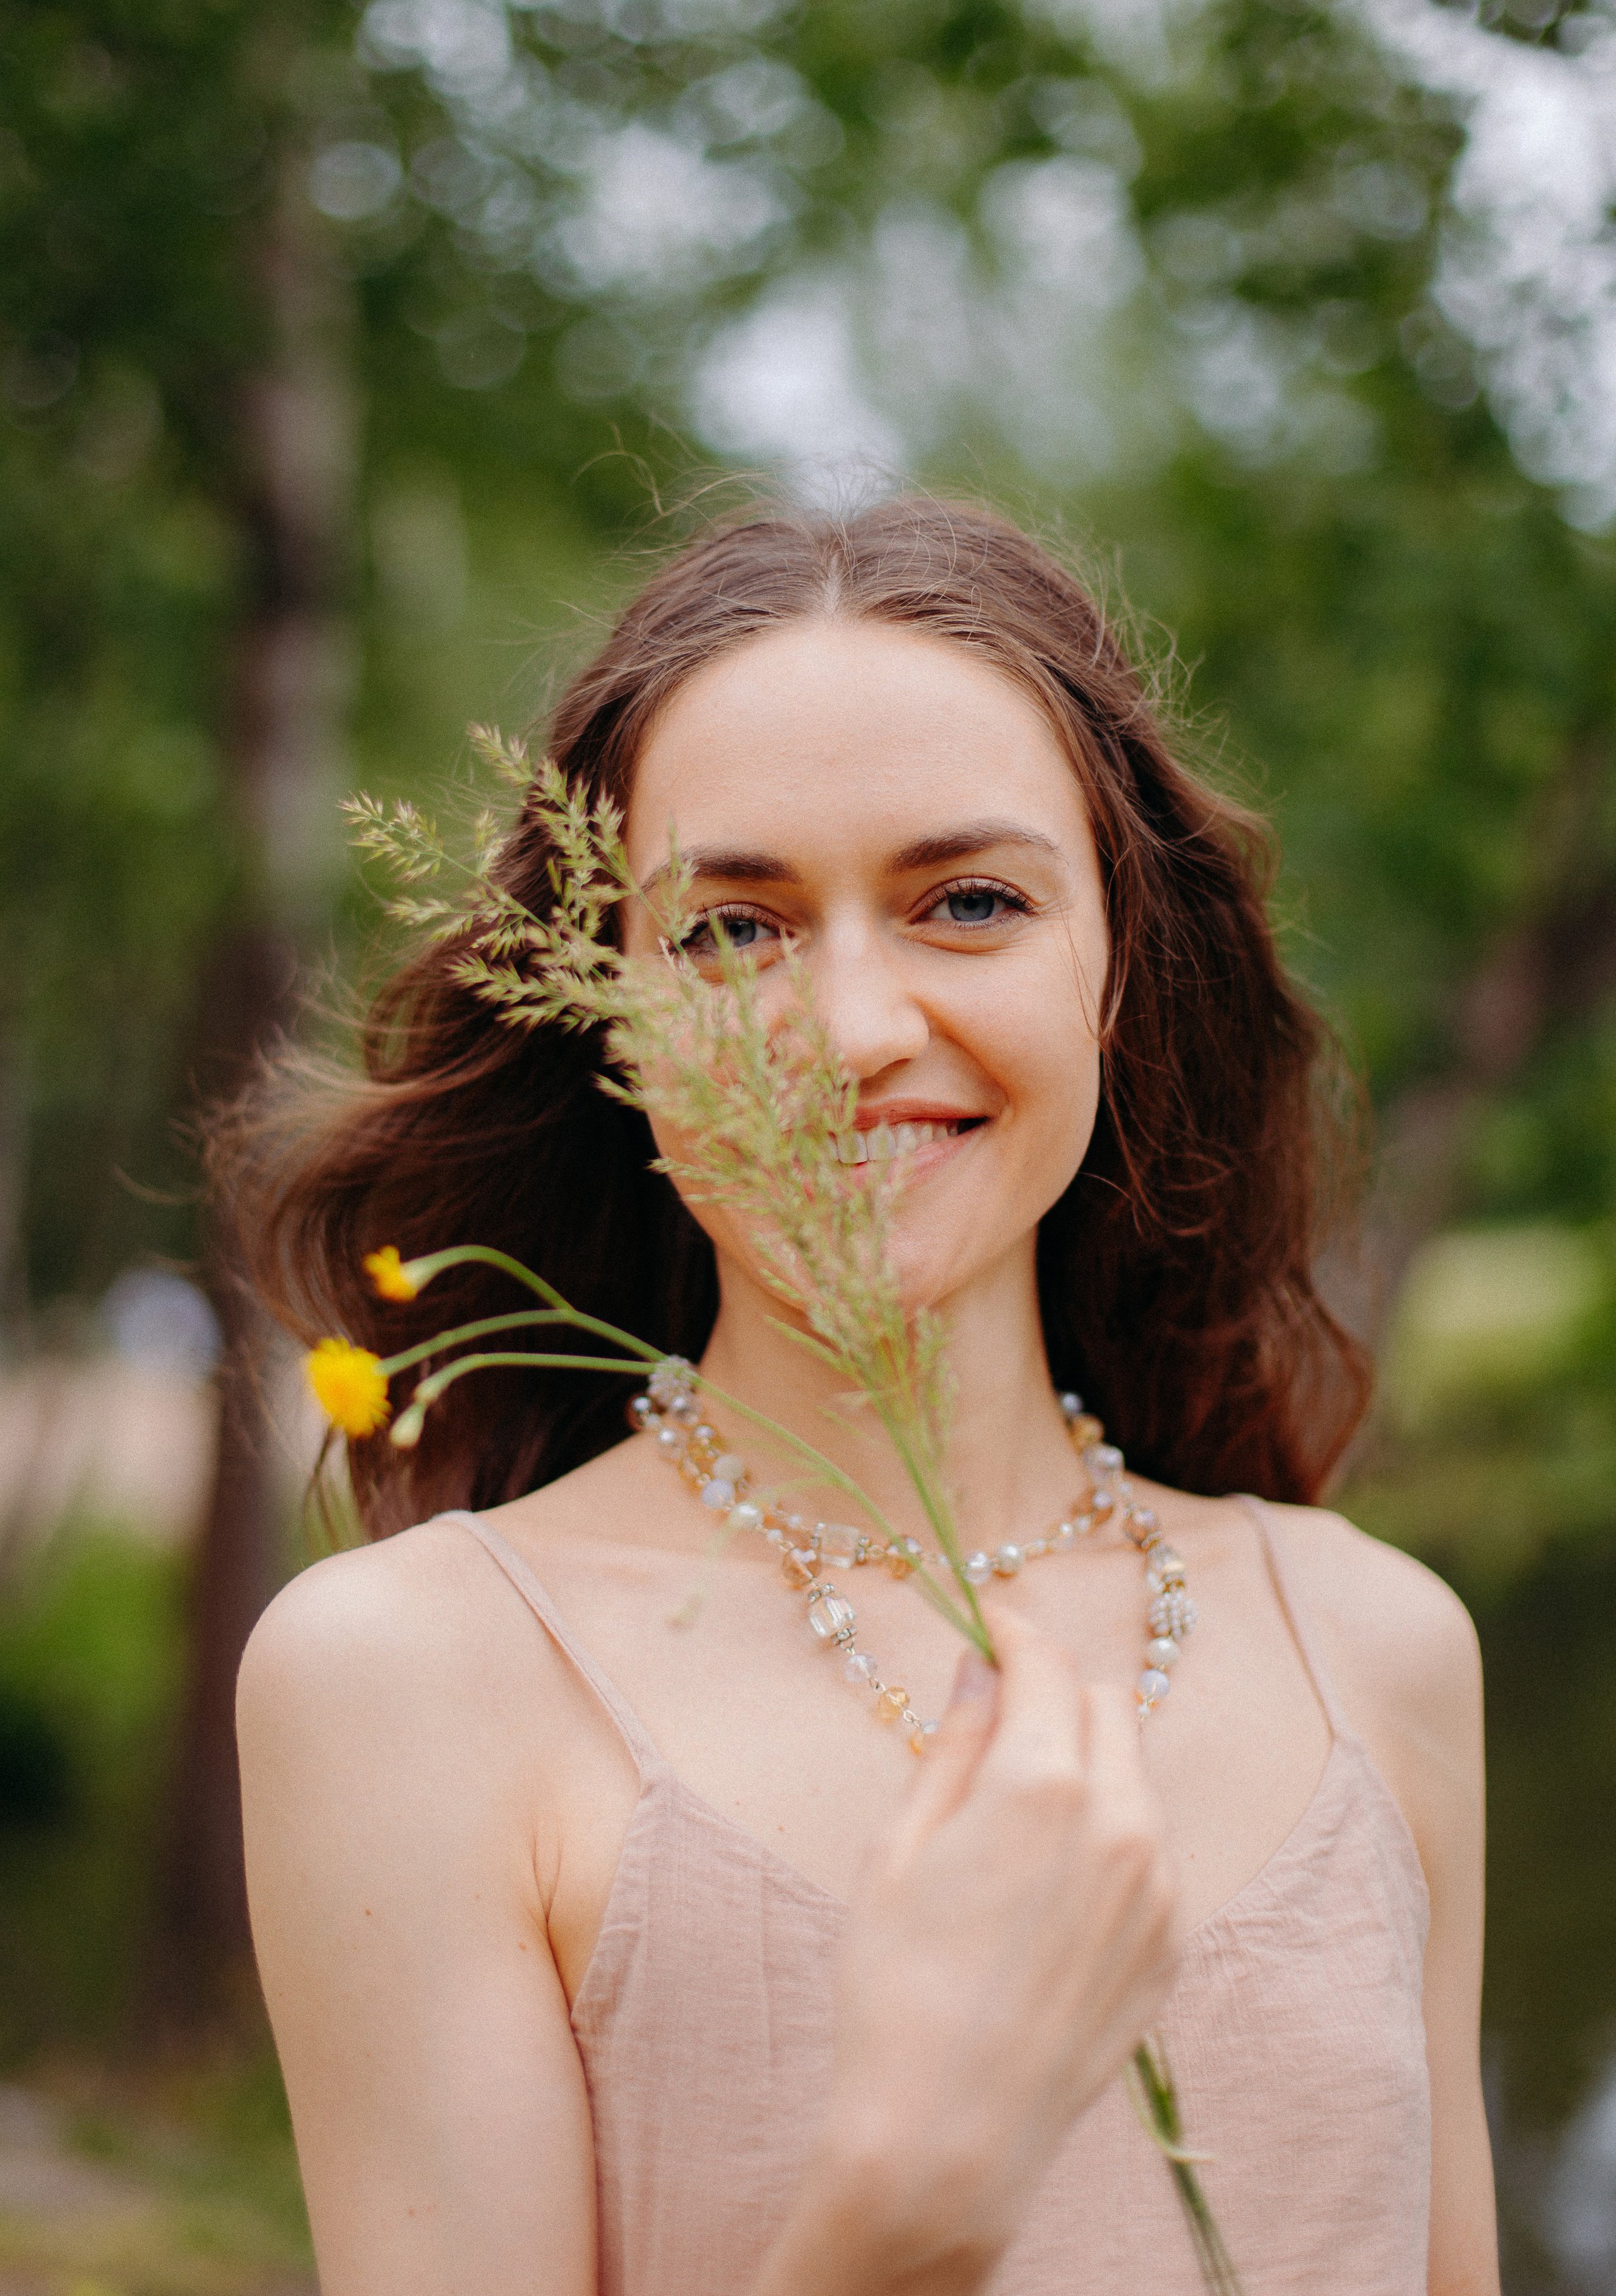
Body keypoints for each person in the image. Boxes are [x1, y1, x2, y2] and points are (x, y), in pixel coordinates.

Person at [227, 497, 1497, 2295]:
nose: (850, 1030)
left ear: (1123, 965)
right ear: (617, 1025)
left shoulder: (1380, 1646)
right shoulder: (410, 1684)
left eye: (968, 902)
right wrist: (897, 2223)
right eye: (732, 930)